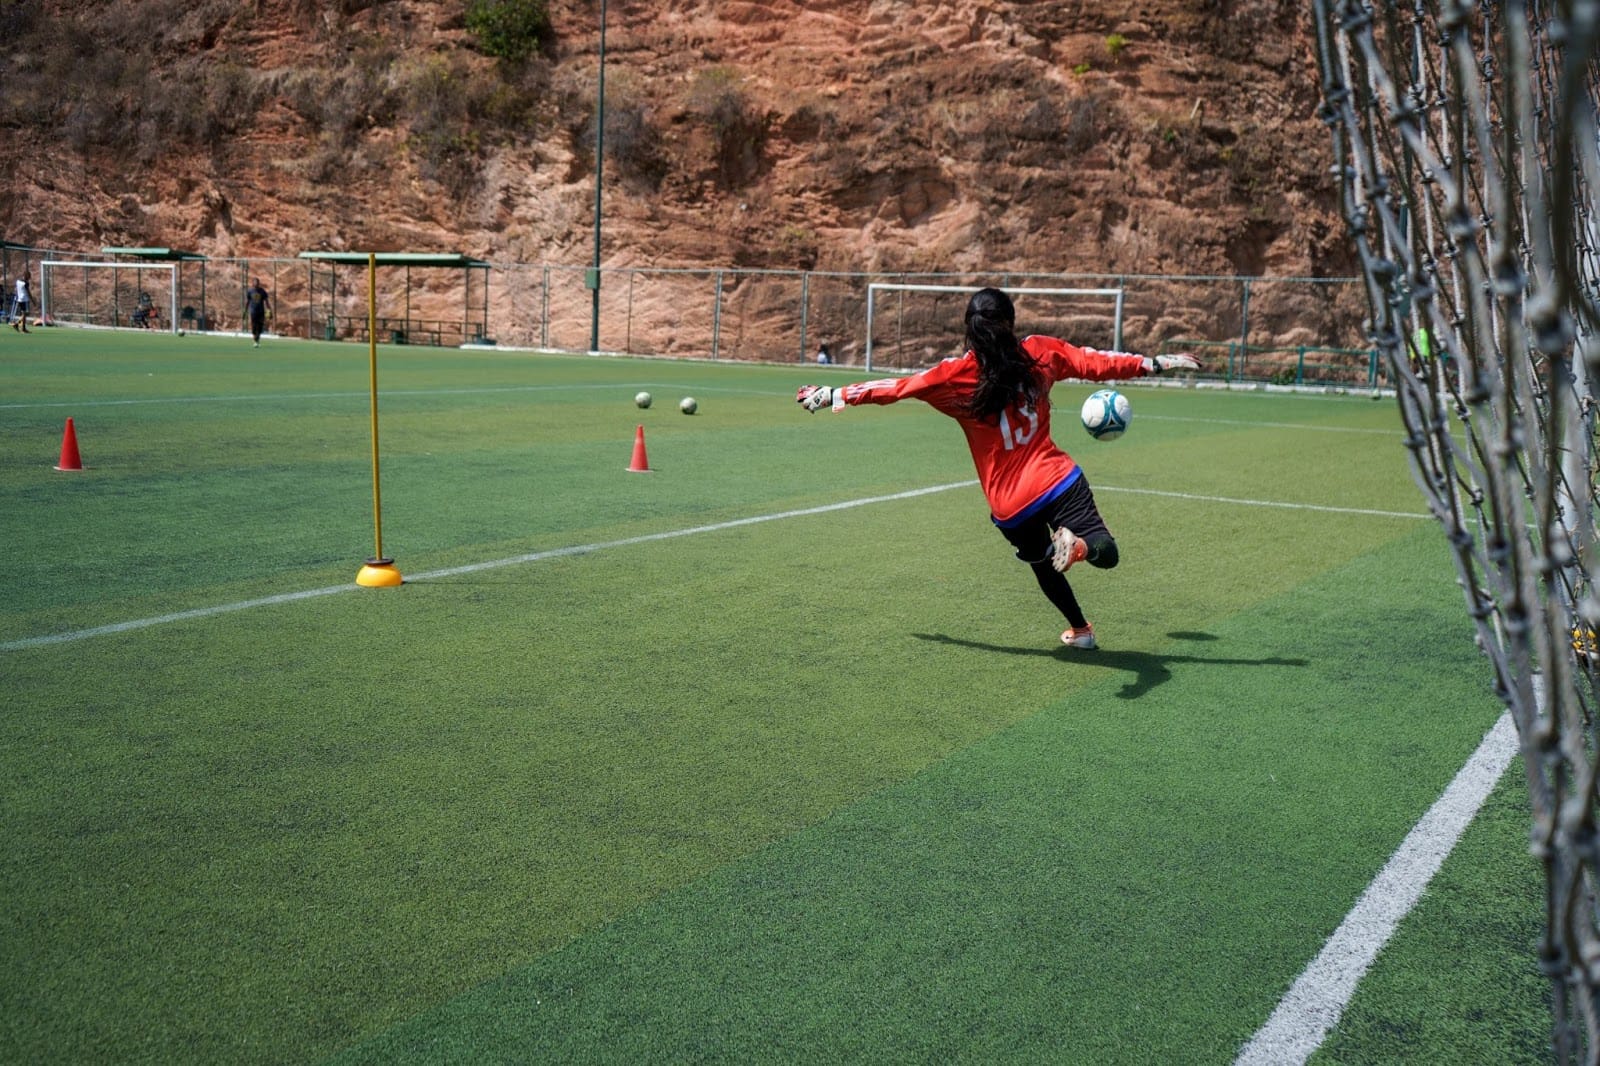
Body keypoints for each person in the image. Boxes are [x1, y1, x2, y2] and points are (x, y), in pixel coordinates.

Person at [796, 286, 1199, 649]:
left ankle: (1081, 630)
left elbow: (895, 388)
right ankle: (1081, 547)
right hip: (1057, 479)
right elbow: (1094, 362)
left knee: (1042, 563)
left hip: (1011, 504)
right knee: (1105, 551)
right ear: (1011, 322)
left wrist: (834, 394)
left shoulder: (954, 375)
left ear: (969, 329)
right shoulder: (1039, 353)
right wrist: (1153, 363)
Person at [245, 278, 271, 347]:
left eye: (257, 282)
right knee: (254, 326)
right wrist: (245, 311)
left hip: (261, 311)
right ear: (253, 283)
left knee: (260, 326)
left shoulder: (262, 291)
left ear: (259, 283)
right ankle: (255, 341)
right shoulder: (250, 291)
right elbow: (247, 302)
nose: (256, 283)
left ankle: (257, 339)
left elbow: (266, 301)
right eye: (255, 282)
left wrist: (269, 310)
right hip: (253, 311)